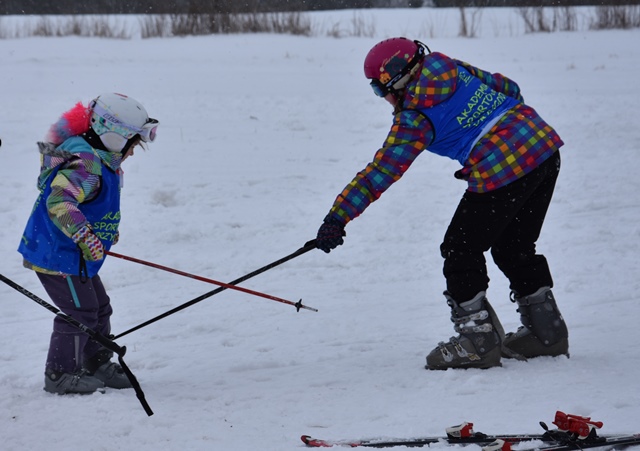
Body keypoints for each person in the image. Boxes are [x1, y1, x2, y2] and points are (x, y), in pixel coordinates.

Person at [315, 37, 568, 370]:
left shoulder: (414, 118)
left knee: (460, 248)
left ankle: (477, 342)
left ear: (395, 80)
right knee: (513, 246)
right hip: (543, 146)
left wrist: (337, 218)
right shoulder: (449, 66)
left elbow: (381, 171)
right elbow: (509, 88)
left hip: (503, 167)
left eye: (378, 89)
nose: (381, 97)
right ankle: (547, 334)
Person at [18, 93, 159, 393]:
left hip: (75, 255)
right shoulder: (86, 165)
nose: (133, 153)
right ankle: (59, 374)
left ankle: (95, 362)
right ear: (115, 137)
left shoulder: (101, 160)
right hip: (57, 254)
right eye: (133, 145)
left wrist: (103, 232)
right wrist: (84, 235)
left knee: (100, 308)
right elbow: (59, 201)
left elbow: (92, 205)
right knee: (80, 313)